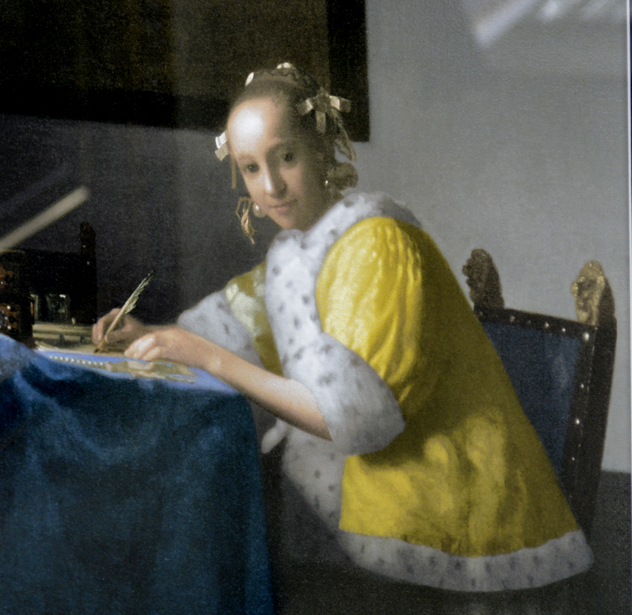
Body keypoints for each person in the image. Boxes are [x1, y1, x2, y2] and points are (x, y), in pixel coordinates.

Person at [93, 62, 592, 592]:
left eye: (286, 157)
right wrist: (147, 334)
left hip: (449, 520)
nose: (272, 186)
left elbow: (352, 420)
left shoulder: (378, 243)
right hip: (375, 510)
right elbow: (236, 325)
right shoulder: (297, 254)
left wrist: (205, 356)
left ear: (321, 150)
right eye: (252, 168)